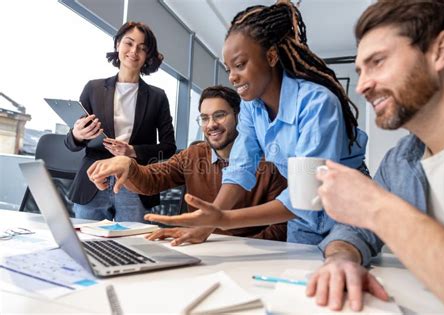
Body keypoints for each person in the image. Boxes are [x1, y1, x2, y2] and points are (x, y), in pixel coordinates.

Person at [139, 1, 368, 247]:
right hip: (303, 218)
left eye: (240, 65)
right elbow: (240, 169)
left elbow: (305, 195)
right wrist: (208, 223)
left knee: (341, 277)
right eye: (229, 68)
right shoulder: (251, 107)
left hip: (347, 209)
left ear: (270, 56)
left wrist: (225, 219)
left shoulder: (317, 103)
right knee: (299, 280)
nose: (232, 77)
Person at [305, 1, 444, 313]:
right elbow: (353, 232)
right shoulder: (399, 161)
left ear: (440, 51)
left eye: (377, 62)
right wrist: (341, 259)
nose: (362, 86)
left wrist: (375, 207)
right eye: (360, 70)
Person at [87, 85, 288, 244]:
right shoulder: (193, 154)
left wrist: (232, 248)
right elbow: (152, 179)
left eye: (220, 115)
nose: (211, 125)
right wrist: (128, 165)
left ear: (239, 117)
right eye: (205, 118)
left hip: (247, 254)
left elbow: (280, 227)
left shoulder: (269, 162)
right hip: (196, 247)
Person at [65, 21, 176, 222]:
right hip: (93, 178)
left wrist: (131, 151)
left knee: (133, 245)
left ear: (148, 56)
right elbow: (70, 144)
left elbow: (168, 148)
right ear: (117, 44)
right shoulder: (93, 89)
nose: (134, 51)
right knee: (87, 243)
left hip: (134, 180)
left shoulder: (157, 97)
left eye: (142, 48)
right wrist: (77, 135)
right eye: (129, 43)